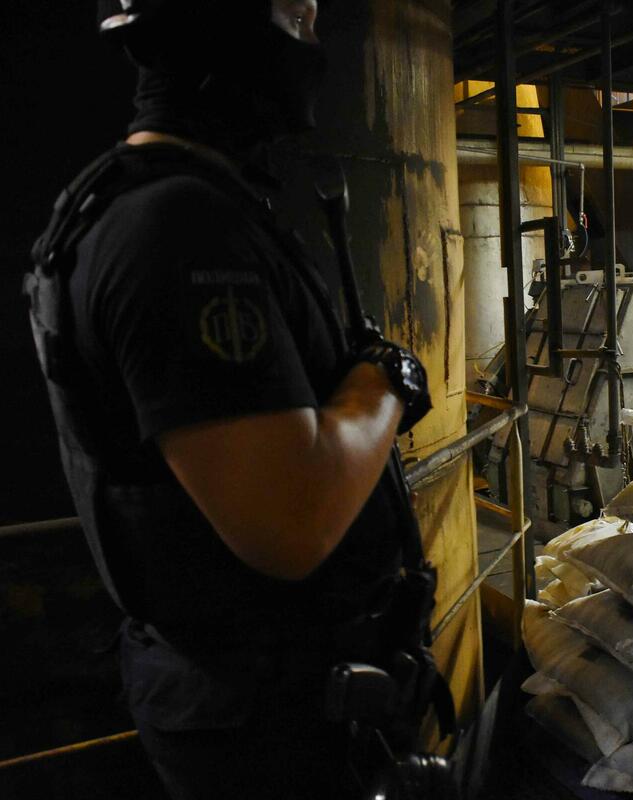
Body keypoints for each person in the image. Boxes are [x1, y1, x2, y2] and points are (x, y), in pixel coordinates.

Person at [25, 2, 438, 798]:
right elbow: (291, 521)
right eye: (295, 19)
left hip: (284, 698)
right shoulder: (177, 229)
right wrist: (388, 380)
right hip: (273, 723)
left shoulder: (150, 205)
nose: (313, 46)